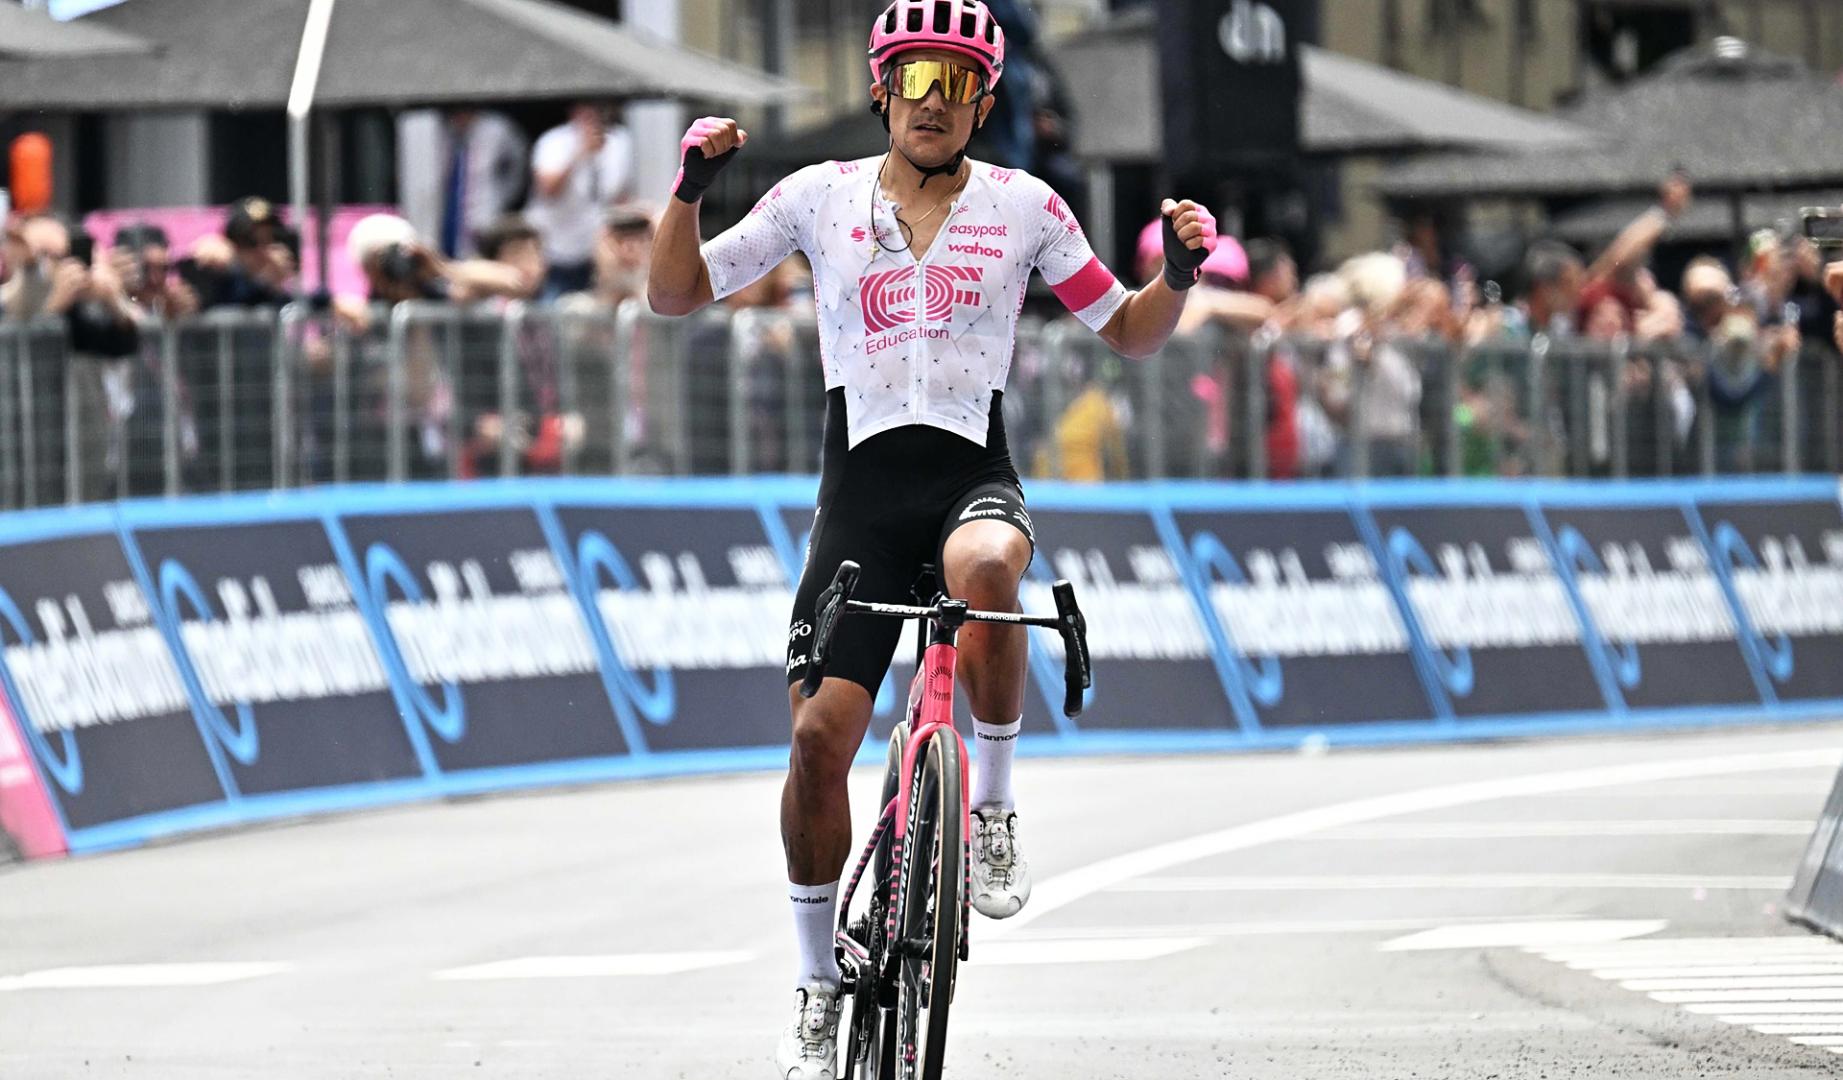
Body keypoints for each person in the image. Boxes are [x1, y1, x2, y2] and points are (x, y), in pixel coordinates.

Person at [645, 3, 1216, 1076]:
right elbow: (671, 291)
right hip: (858, 502)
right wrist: (687, 190)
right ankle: (818, 981)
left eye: (957, 85)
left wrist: (1178, 275)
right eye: (915, 80)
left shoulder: (1026, 206)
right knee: (819, 744)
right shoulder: (815, 197)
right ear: (881, 90)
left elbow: (1132, 334)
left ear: (984, 104)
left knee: (993, 569)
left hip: (968, 478)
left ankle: (990, 811)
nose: (934, 103)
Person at [528, 103, 635, 298]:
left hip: (592, 249)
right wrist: (580, 153)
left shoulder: (620, 141)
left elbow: (621, 197)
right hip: (553, 246)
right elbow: (548, 189)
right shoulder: (555, 141)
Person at [396, 108, 529, 259]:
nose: (460, 118)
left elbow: (518, 164)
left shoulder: (497, 128)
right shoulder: (429, 128)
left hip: (481, 219)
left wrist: (502, 197)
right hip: (441, 219)